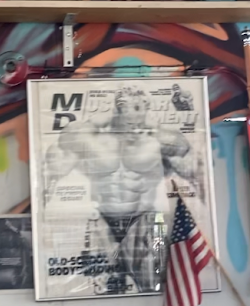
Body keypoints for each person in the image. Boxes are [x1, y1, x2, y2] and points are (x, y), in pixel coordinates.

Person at [46, 85, 196, 291]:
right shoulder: (88, 137)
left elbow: (190, 170)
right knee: (101, 286)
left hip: (147, 218)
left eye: (140, 118)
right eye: (129, 120)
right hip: (102, 219)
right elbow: (56, 170)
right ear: (117, 111)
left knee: (152, 282)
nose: (135, 126)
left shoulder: (160, 139)